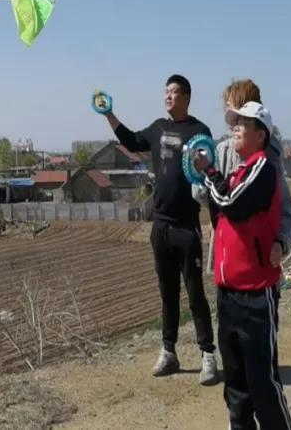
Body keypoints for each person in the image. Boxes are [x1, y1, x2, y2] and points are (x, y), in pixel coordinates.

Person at [99, 74, 219, 385]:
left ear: (187, 97)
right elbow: (130, 141)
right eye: (166, 91)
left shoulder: (199, 131)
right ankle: (169, 352)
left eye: (175, 92)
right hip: (161, 226)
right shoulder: (157, 128)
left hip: (187, 226)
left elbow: (209, 170)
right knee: (167, 295)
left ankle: (208, 354)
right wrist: (109, 114)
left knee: (195, 294)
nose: (168, 96)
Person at [196, 102, 291, 430]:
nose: (235, 128)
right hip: (228, 293)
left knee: (262, 385)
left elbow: (231, 204)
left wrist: (209, 172)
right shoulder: (240, 171)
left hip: (254, 295)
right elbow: (218, 200)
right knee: (236, 388)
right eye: (233, 123)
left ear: (260, 134)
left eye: (242, 124)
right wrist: (210, 178)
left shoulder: (263, 167)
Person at [193, 79, 291, 292]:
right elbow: (204, 195)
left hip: (258, 268)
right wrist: (197, 174)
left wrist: (281, 243)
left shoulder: (268, 160)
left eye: (234, 109)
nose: (231, 122)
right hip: (228, 264)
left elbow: (285, 209)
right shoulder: (221, 150)